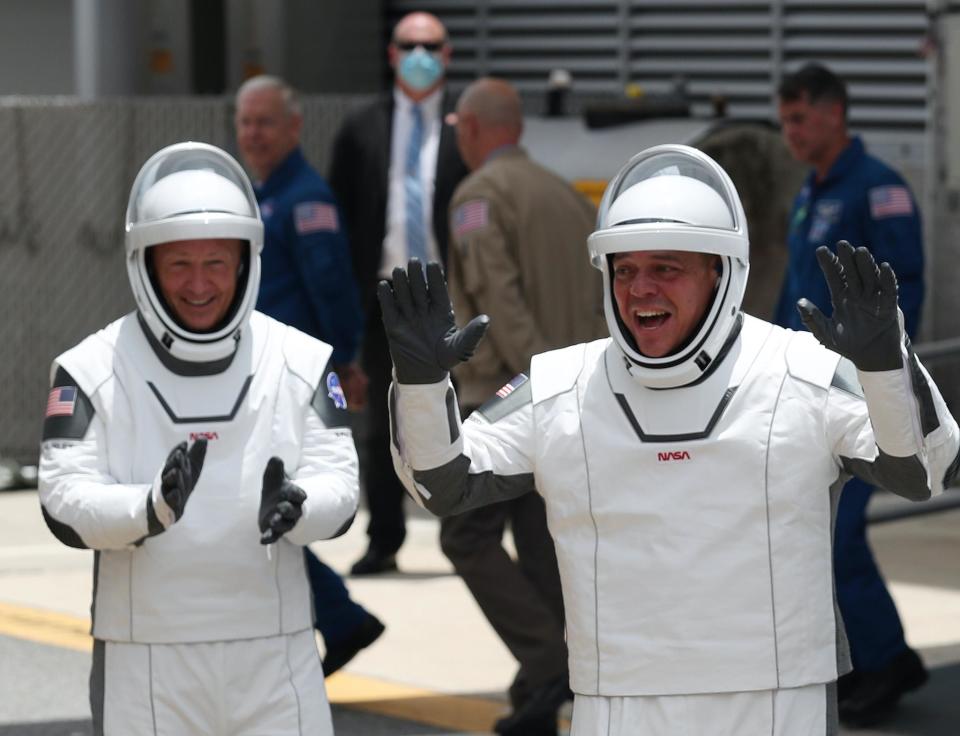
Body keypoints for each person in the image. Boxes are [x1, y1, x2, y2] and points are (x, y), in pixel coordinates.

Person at [379, 144, 958, 735]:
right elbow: (441, 483)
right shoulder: (560, 385)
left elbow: (923, 469)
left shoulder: (800, 369)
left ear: (720, 271)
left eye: (666, 268)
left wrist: (888, 364)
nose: (640, 290)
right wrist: (421, 384)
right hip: (617, 702)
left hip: (775, 703)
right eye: (624, 270)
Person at [38, 142, 359, 735]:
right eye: (179, 263)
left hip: (275, 649)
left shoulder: (301, 361)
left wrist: (299, 505)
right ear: (145, 264)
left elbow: (340, 479)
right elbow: (63, 500)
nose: (199, 284)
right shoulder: (90, 369)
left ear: (246, 260)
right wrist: (148, 507)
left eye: (217, 262)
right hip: (147, 656)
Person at [442, 77, 606, 735]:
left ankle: (547, 662)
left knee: (465, 534)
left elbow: (493, 301)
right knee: (541, 544)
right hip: (569, 391)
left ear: (475, 128)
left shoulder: (477, 195)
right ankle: (549, 679)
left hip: (509, 394)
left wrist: (539, 381)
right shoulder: (565, 196)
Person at [775, 62, 927, 727]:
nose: (790, 133)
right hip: (807, 392)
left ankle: (884, 661)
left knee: (836, 536)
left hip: (858, 395)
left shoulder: (878, 188)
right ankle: (880, 657)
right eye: (784, 121)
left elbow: (907, 292)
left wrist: (881, 381)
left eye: (799, 118)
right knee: (818, 534)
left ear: (834, 113)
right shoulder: (811, 189)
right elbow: (792, 293)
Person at [235, 74, 384, 676]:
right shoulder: (257, 192)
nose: (253, 133)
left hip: (291, 381)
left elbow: (333, 288)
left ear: (294, 128)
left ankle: (341, 617)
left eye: (265, 121)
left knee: (260, 508)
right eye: (245, 122)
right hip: (255, 375)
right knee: (258, 508)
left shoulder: (305, 197)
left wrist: (345, 360)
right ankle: (342, 618)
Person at [329, 10, 469, 575]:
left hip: (452, 297)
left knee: (460, 415)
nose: (420, 55)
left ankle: (463, 535)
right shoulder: (361, 125)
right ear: (391, 54)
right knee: (386, 422)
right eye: (410, 45)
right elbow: (340, 216)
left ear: (448, 52)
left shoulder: (466, 124)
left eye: (431, 45)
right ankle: (384, 538)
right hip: (382, 297)